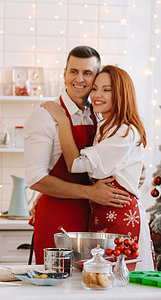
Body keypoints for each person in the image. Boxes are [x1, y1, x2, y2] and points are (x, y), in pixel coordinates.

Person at [22, 46, 132, 264]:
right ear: (64, 74)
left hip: (95, 218)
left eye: (87, 73)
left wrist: (131, 170)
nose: (79, 78)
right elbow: (36, 179)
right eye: (73, 71)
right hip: (58, 218)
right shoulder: (44, 116)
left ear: (96, 78)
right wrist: (91, 193)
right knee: (57, 289)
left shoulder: (101, 114)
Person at [41, 65, 155, 271]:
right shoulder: (104, 125)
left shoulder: (124, 130)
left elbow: (76, 164)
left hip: (122, 218)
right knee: (100, 279)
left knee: (121, 281)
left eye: (107, 89)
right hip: (100, 215)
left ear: (121, 93)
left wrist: (63, 122)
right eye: (94, 88)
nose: (97, 95)